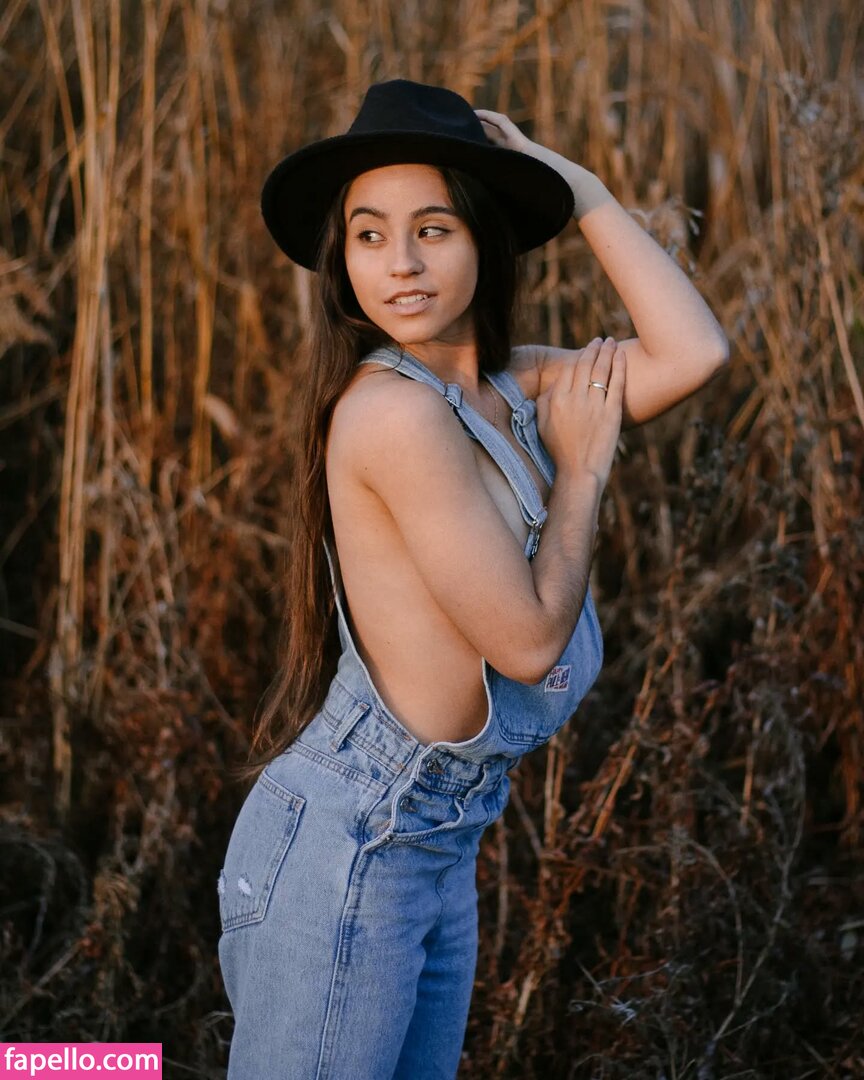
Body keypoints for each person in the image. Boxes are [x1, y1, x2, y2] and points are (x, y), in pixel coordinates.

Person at [217, 79, 728, 1079]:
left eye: (433, 229)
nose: (400, 264)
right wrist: (581, 474)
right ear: (343, 259)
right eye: (369, 235)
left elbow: (695, 350)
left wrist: (576, 188)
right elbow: (528, 644)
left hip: (437, 843)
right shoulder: (392, 415)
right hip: (351, 841)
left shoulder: (507, 386)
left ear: (485, 240)